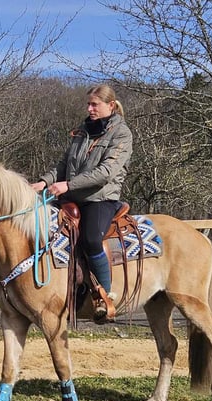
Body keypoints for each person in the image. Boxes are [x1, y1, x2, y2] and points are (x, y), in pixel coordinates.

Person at [31, 84, 133, 322]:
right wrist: (43, 183)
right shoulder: (83, 131)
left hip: (101, 198)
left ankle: (103, 296)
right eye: (88, 104)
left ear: (110, 105)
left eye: (95, 104)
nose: (90, 109)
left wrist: (68, 185)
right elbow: (63, 164)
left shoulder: (121, 134)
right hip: (73, 197)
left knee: (90, 238)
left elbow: (106, 172)